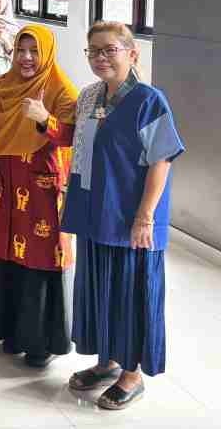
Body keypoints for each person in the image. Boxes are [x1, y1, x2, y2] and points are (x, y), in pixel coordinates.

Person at [61, 21, 184, 410]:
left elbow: (162, 159)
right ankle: (108, 361)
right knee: (100, 289)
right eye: (94, 51)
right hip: (94, 213)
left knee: (131, 295)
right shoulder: (91, 96)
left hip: (130, 217)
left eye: (109, 50)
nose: (101, 57)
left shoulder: (149, 100)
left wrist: (145, 216)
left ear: (132, 53)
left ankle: (132, 375)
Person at [0, 24, 78, 367]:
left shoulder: (61, 89)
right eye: (21, 50)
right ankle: (10, 331)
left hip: (42, 190)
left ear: (46, 52)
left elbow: (73, 136)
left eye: (34, 51)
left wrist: (45, 119)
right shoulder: (4, 85)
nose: (27, 58)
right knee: (8, 254)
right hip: (5, 187)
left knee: (40, 258)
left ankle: (40, 342)